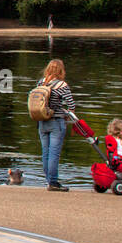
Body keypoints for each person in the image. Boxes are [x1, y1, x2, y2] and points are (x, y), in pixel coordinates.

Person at [35, 59, 75, 192]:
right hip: (56, 121)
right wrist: (69, 116)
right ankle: (53, 182)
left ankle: (49, 180)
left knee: (45, 152)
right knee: (54, 153)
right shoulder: (61, 84)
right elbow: (71, 105)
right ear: (61, 70)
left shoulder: (41, 82)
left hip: (41, 121)